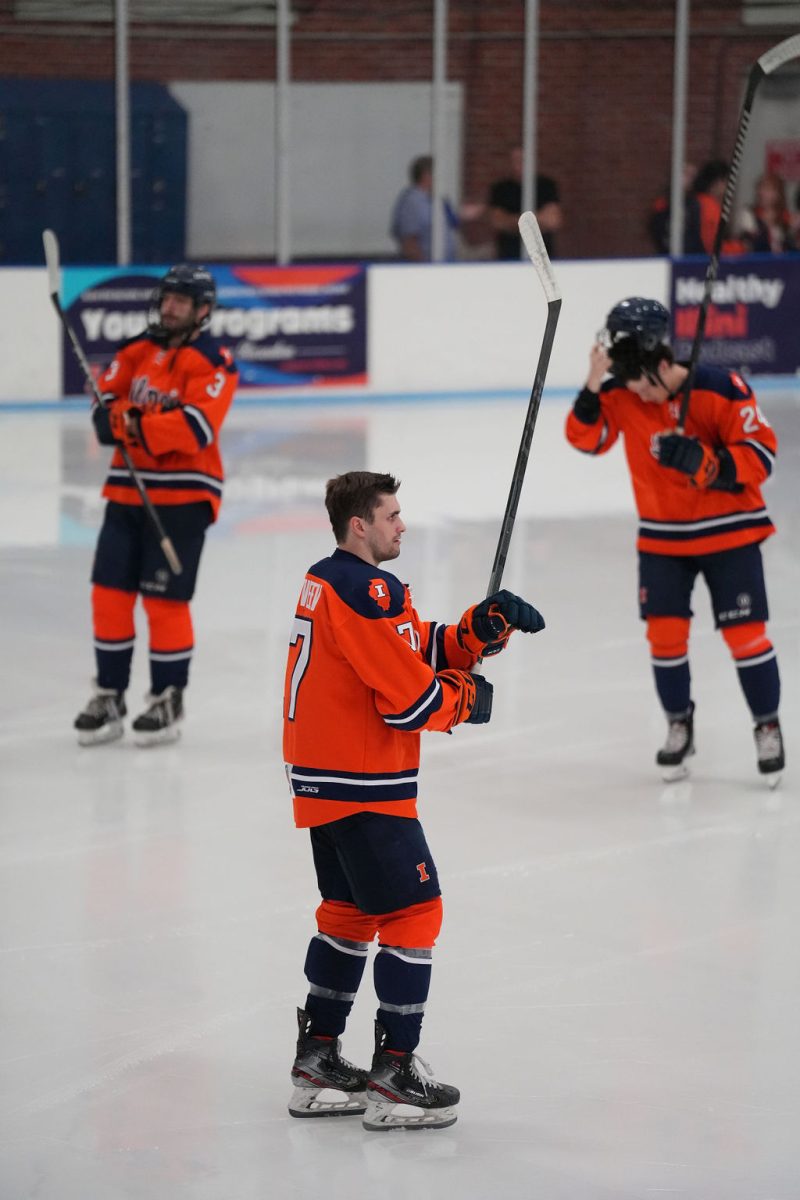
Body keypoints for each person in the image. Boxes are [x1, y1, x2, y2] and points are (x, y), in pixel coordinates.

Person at [282, 470, 544, 1130]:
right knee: (416, 911)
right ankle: (395, 1072)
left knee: (347, 911)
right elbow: (409, 701)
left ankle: (317, 1060)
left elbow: (401, 649)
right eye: (392, 516)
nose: (403, 525)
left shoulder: (334, 581)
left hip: (326, 777)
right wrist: (465, 699)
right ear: (359, 526)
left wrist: (476, 631)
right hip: (364, 780)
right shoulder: (364, 586)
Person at [565, 297, 784, 786]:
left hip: (730, 534)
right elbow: (586, 439)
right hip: (663, 539)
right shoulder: (623, 391)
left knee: (745, 637)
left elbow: (762, 457)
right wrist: (591, 385)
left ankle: (767, 724)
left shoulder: (721, 389)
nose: (637, 394)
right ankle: (678, 724)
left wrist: (706, 463)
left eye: (643, 382)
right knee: (665, 640)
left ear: (663, 364)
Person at [73, 265, 239, 747]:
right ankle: (109, 693)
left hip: (185, 497)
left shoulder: (214, 361)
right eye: (167, 297)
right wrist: (119, 418)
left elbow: (193, 430)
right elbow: (105, 402)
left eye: (181, 300)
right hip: (126, 492)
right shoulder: (136, 350)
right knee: (109, 596)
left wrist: (126, 422)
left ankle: (168, 696)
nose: (169, 306)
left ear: (202, 310)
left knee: (165, 601)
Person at [488, 145, 562, 259]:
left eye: (522, 160)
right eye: (515, 161)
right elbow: (498, 222)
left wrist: (514, 222)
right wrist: (536, 222)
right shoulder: (501, 189)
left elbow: (553, 220)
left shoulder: (546, 186)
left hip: (543, 257)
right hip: (508, 255)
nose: (519, 165)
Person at [389, 155, 459, 262]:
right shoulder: (412, 202)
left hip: (445, 265)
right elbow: (409, 241)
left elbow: (452, 223)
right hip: (427, 269)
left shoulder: (436, 200)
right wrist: (423, 269)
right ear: (426, 176)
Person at [738, 173, 796, 254]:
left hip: (783, 264)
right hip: (758, 263)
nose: (762, 193)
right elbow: (751, 244)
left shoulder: (786, 217)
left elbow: (792, 247)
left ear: (778, 194)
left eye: (767, 189)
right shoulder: (749, 214)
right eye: (760, 188)